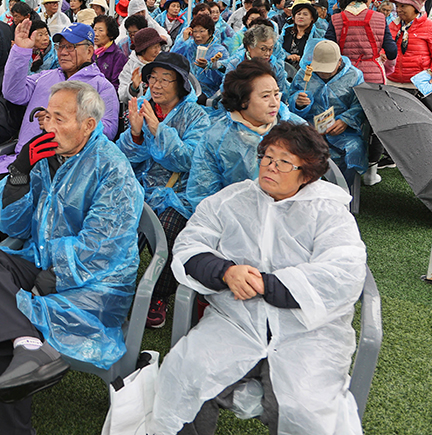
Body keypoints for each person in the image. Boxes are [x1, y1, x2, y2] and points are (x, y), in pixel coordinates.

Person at [152, 122, 366, 435]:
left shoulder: (329, 212)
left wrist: (267, 285)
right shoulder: (231, 200)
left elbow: (342, 273)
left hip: (307, 331)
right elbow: (189, 246)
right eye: (267, 157)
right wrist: (226, 272)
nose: (270, 167)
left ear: (306, 174)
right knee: (184, 376)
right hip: (235, 320)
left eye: (284, 162)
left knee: (305, 409)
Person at [0, 81, 144, 434]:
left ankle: (10, 416)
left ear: (88, 125)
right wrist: (20, 173)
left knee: (10, 314)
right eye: (47, 116)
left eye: (59, 118)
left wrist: (57, 274)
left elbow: (103, 247)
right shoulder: (50, 160)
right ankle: (30, 347)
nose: (47, 125)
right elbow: (10, 222)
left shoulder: (112, 169)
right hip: (44, 261)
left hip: (95, 285)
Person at [117, 52, 210, 328]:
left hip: (176, 193)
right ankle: (113, 285)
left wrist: (158, 131)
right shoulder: (143, 106)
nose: (156, 85)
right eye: (153, 79)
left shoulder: (196, 115)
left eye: (165, 80)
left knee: (169, 229)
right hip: (141, 188)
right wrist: (135, 134)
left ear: (181, 84)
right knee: (115, 225)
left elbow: (191, 159)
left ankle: (158, 295)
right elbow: (125, 157)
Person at [0, 22, 119, 177]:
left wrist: (60, 122)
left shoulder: (102, 87)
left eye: (70, 47)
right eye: (60, 46)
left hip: (70, 169)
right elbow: (12, 93)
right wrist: (21, 51)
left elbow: (108, 131)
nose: (63, 52)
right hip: (24, 161)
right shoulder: (44, 77)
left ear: (89, 50)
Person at [187, 59, 303, 211]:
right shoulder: (217, 138)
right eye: (265, 96)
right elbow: (204, 194)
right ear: (243, 101)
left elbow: (309, 184)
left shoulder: (296, 128)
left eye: (276, 94)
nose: (275, 103)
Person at [288, 40, 367, 181]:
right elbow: (292, 97)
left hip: (344, 132)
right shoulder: (304, 74)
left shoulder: (355, 76)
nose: (323, 73)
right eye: (320, 69)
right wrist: (298, 102)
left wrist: (345, 120)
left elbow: (360, 105)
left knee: (354, 149)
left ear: (339, 62)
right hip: (310, 130)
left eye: (328, 69)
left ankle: (344, 191)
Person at [326, 0, 396, 85]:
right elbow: (391, 50)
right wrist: (389, 66)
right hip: (373, 77)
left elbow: (328, 49)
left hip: (344, 75)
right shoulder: (380, 18)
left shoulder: (336, 19)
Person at [171, 14, 227, 98]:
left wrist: (209, 66)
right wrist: (183, 41)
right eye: (195, 31)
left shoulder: (219, 51)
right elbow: (172, 59)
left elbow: (223, 77)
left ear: (210, 32)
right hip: (187, 88)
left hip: (208, 92)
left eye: (201, 31)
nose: (197, 35)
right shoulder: (188, 45)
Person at [387, 0, 432, 89]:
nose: (398, 10)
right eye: (397, 6)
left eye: (403, 6)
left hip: (418, 84)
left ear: (415, 7)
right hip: (391, 82)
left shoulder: (428, 27)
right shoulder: (393, 25)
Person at [119, 27, 166, 104]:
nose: (157, 50)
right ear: (143, 50)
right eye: (154, 47)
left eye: (158, 46)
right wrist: (133, 88)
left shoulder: (164, 62)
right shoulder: (131, 65)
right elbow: (122, 95)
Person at [92, 15, 128, 86]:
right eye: (94, 30)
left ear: (111, 34)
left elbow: (116, 84)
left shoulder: (118, 56)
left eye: (100, 30)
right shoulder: (90, 51)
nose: (96, 34)